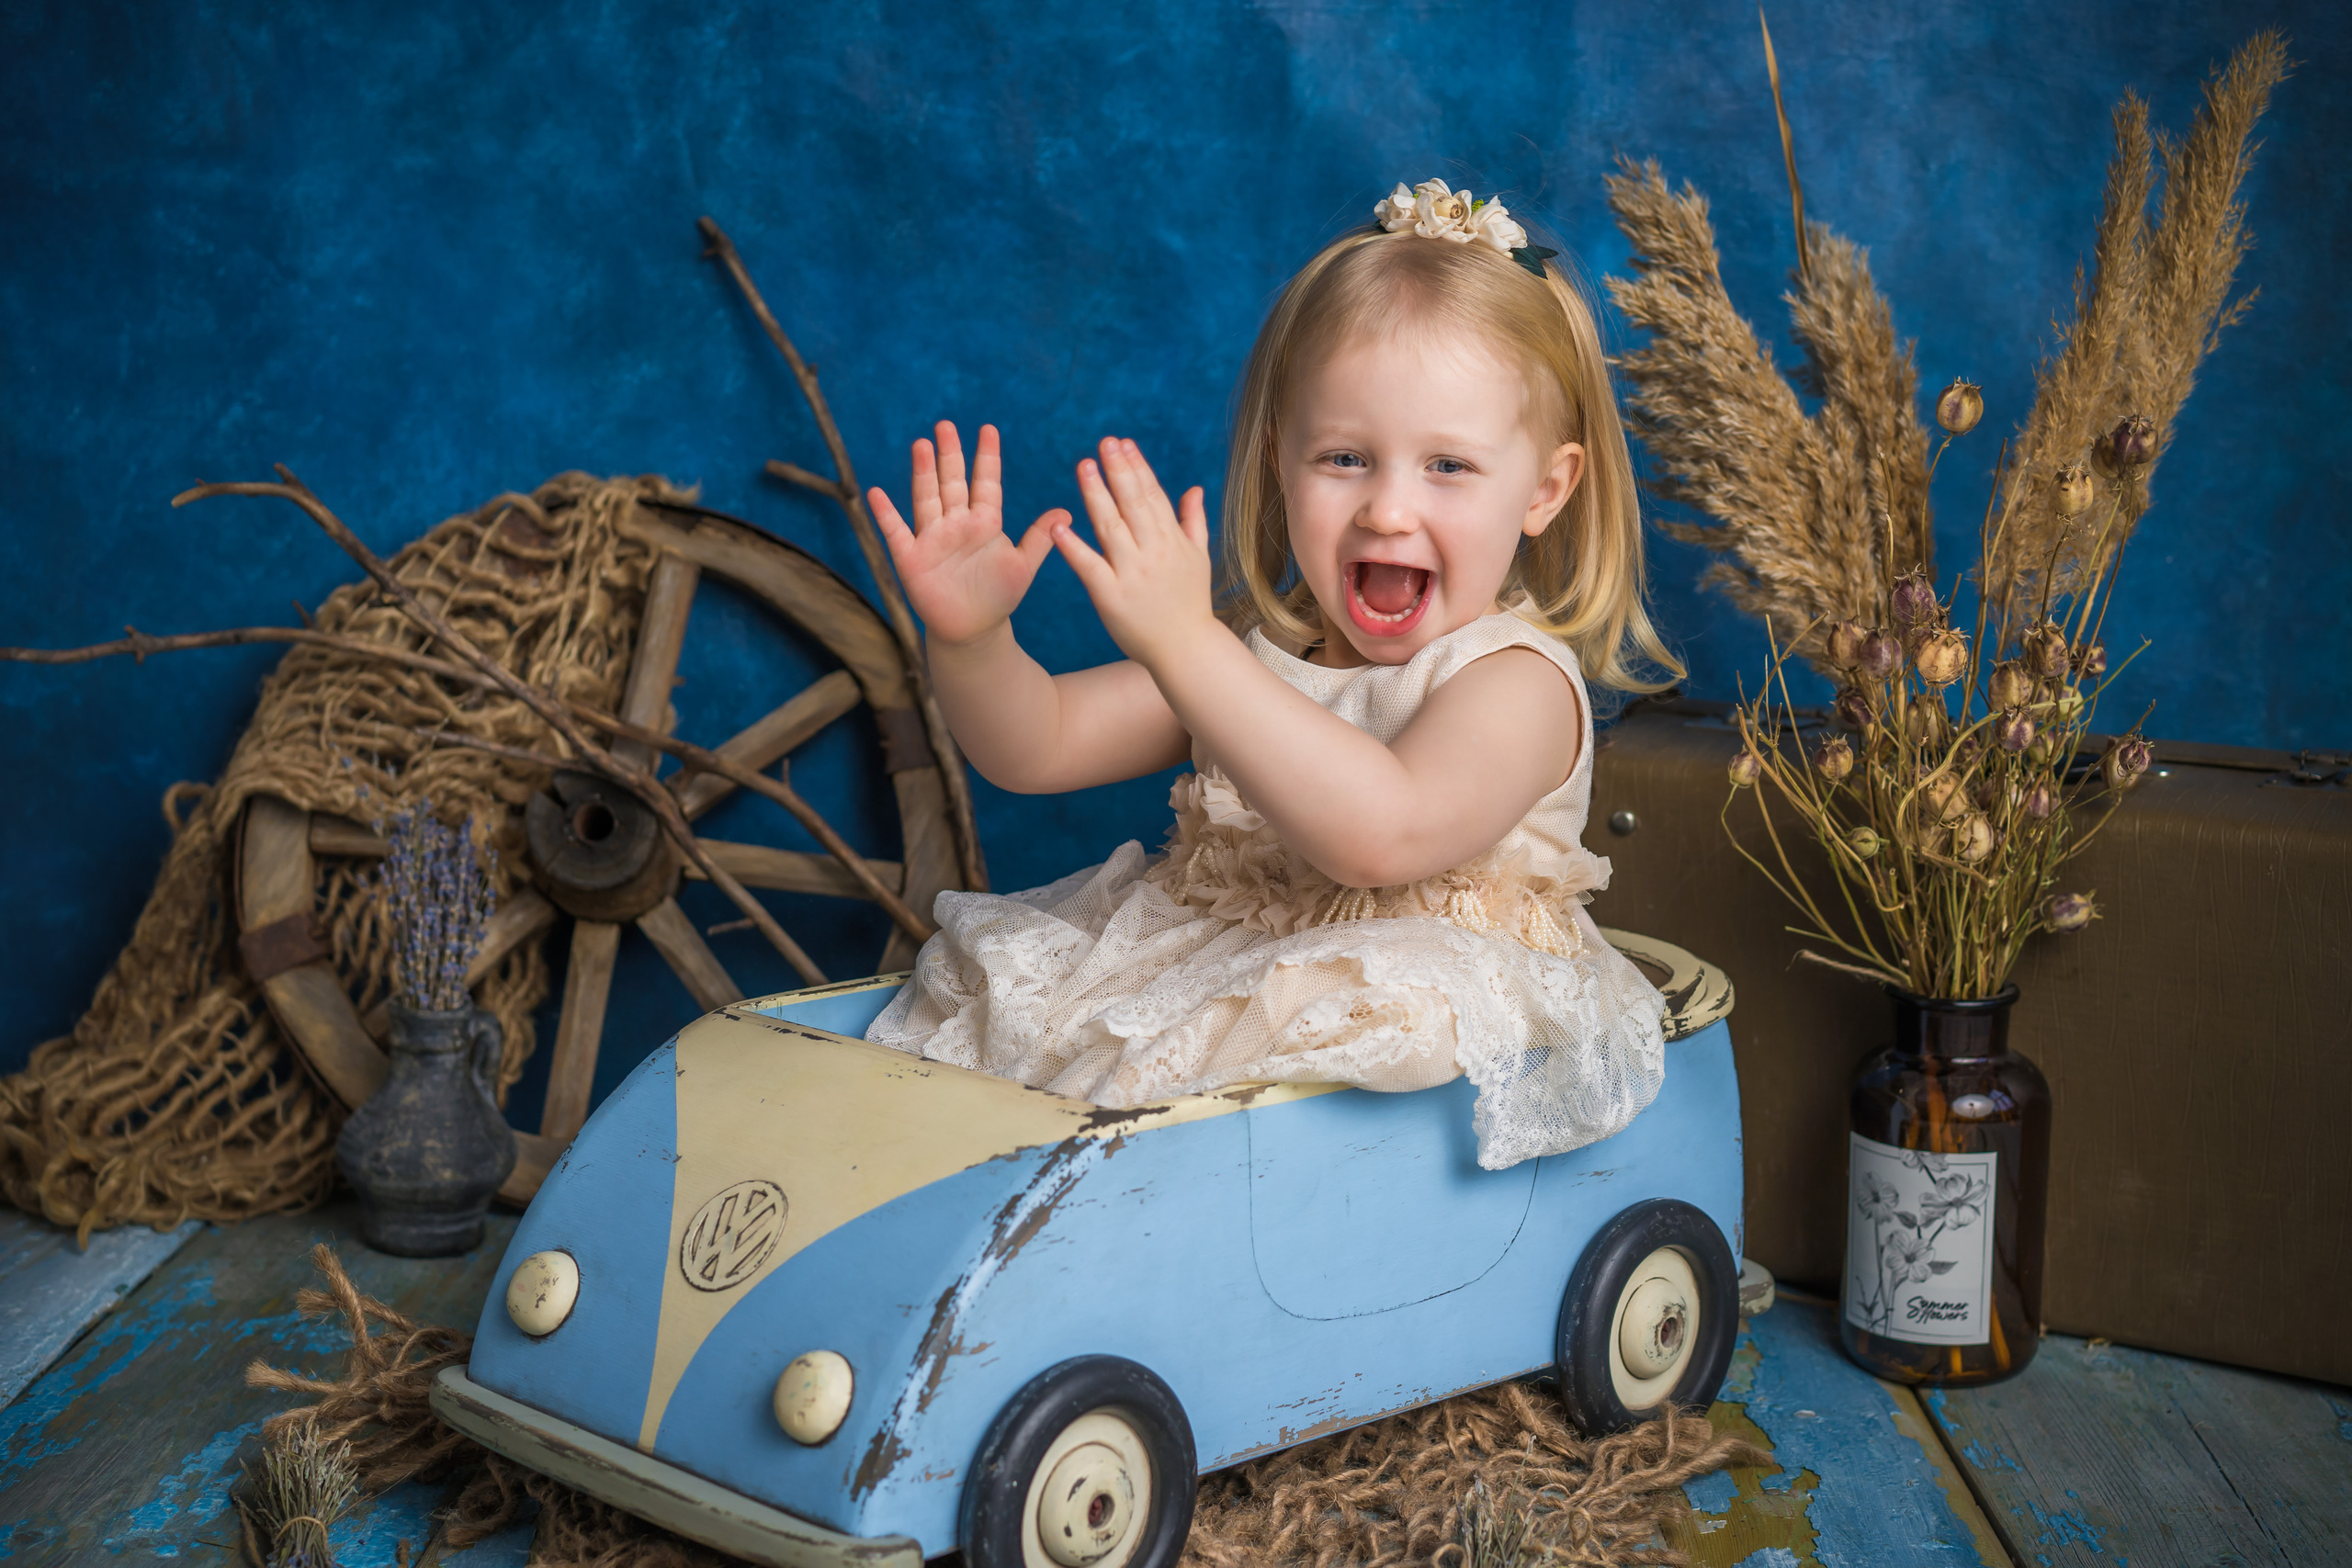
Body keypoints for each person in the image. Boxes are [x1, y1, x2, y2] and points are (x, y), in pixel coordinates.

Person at [862, 179, 1683, 1168]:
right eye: (1344, 457)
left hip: (1398, 1045)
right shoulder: (1254, 654)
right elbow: (1033, 745)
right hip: (1222, 975)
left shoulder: (1515, 684)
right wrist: (971, 639)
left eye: (1448, 467)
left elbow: (1380, 835)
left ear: (1543, 491)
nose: (1386, 509)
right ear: (1278, 462)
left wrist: (1186, 646)